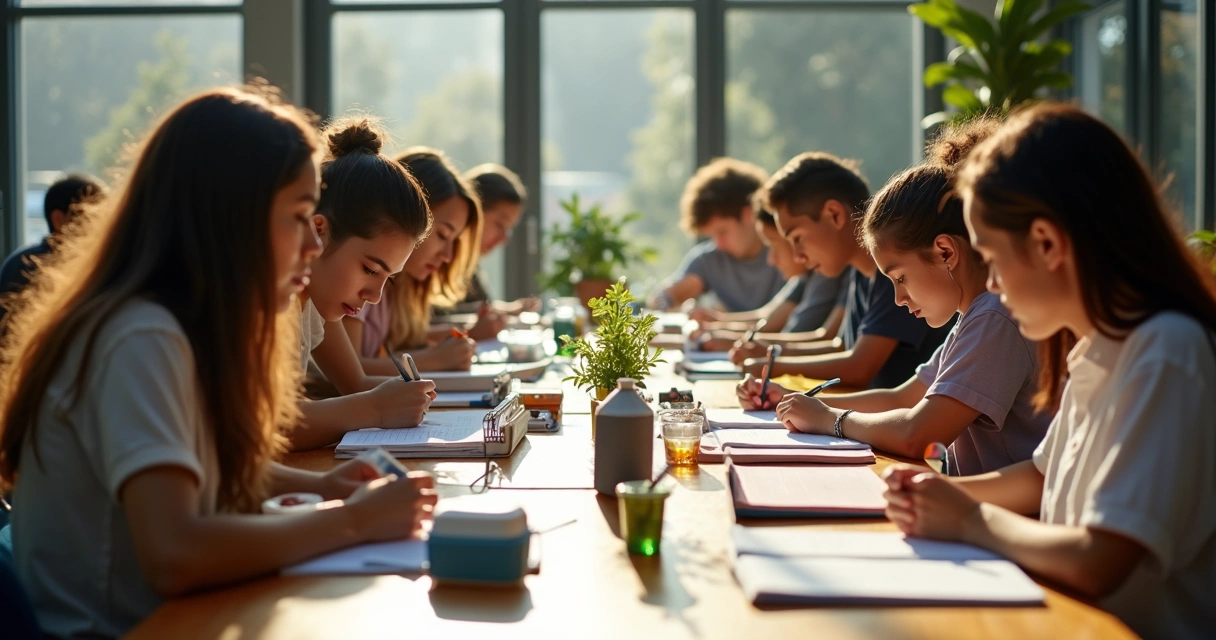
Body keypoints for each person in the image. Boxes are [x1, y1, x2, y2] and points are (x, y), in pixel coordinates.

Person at [0, 87, 437, 638]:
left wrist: (332, 489)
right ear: (232, 214)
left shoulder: (180, 325)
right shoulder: (141, 336)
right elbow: (176, 554)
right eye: (301, 216)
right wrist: (351, 522)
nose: (312, 242)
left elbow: (211, 471)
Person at [882, 104, 1216, 639]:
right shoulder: (1097, 348)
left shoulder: (1167, 351)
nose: (990, 286)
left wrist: (968, 520)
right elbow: (1041, 477)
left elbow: (1099, 558)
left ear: (1047, 243)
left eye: (991, 257)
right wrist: (933, 494)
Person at [741, 118, 1049, 475]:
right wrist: (804, 403)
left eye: (900, 278)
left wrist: (831, 420)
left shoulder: (994, 317)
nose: (899, 299)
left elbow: (917, 433)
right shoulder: (973, 316)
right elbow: (902, 398)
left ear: (946, 253)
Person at [741, 152, 952, 390]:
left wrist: (770, 366)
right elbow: (841, 346)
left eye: (797, 238)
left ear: (835, 214)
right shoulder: (859, 271)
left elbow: (858, 367)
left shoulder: (897, 274)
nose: (798, 255)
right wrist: (771, 354)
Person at [291, 119, 437, 451]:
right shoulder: (272, 301)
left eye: (388, 278)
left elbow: (354, 383)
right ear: (318, 230)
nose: (374, 297)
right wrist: (376, 407)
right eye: (370, 269)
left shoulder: (312, 305)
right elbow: (269, 427)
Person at [346, 147, 484, 374]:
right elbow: (347, 373)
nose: (448, 256)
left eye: (454, 241)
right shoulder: (363, 278)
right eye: (442, 235)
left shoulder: (396, 288)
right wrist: (435, 360)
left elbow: (404, 341)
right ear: (410, 218)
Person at [695, 204, 847, 352]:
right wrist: (719, 324)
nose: (771, 260)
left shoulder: (828, 271)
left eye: (797, 239)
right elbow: (767, 317)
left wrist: (744, 343)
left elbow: (827, 340)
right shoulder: (807, 276)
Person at [648, 158, 786, 313]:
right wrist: (667, 299)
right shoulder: (710, 260)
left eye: (722, 232)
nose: (718, 244)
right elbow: (661, 297)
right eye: (712, 235)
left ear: (749, 214)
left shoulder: (790, 252)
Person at [0, 175, 105, 323]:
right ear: (59, 220)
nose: (101, 225)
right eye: (91, 217)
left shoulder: (17, 263)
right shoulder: (32, 268)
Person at [455, 163, 538, 320]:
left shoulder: (469, 264)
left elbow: (477, 308)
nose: (504, 239)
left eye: (508, 229)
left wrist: (511, 310)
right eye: (500, 224)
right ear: (472, 210)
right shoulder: (439, 258)